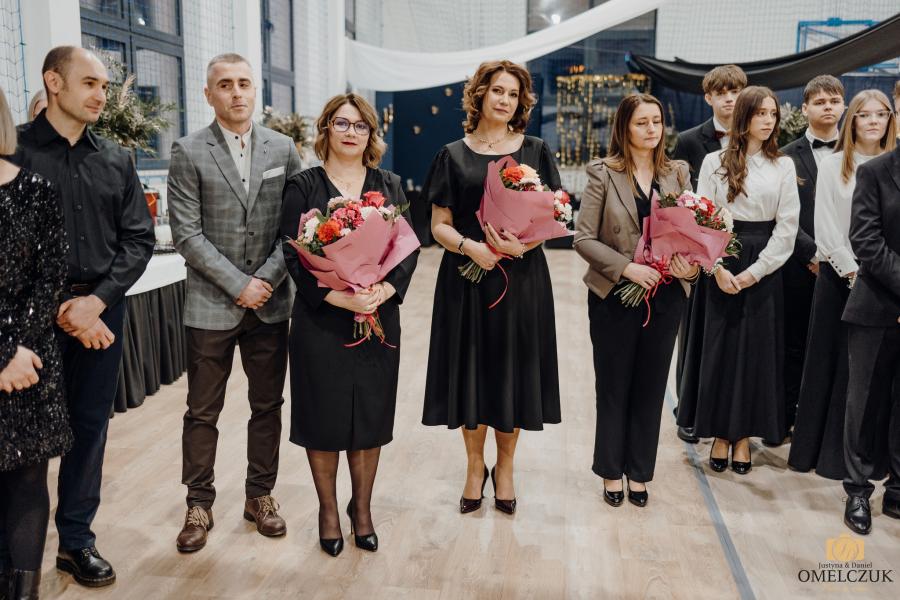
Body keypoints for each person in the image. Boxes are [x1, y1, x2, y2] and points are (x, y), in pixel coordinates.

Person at [8, 46, 154, 588]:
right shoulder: (12, 151)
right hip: (26, 323)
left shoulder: (116, 159)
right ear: (54, 82)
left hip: (100, 316)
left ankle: (75, 542)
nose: (100, 95)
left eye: (105, 86)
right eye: (90, 83)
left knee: (89, 430)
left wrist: (96, 302)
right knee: (23, 440)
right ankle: (14, 557)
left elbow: (137, 240)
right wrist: (53, 308)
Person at [167, 53, 301, 553]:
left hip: (269, 301)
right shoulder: (188, 151)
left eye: (244, 83)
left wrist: (263, 279)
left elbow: (297, 225)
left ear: (255, 90)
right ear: (209, 94)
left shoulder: (283, 148)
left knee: (267, 405)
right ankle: (198, 503)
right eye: (225, 84)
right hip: (211, 303)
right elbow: (187, 234)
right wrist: (237, 284)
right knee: (202, 410)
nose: (237, 92)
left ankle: (259, 495)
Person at [280, 93, 419, 557]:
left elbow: (408, 248)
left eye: (360, 126)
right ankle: (327, 511)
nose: (351, 132)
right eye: (341, 123)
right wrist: (335, 295)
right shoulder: (302, 186)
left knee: (370, 415)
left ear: (371, 134)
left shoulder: (389, 184)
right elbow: (291, 254)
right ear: (326, 129)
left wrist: (387, 290)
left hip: (377, 317)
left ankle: (362, 510)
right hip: (321, 319)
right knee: (323, 416)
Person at [422, 60, 561, 516]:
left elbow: (553, 216)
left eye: (513, 94)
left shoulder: (536, 151)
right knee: (471, 374)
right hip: (466, 279)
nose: (505, 100)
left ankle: (505, 467)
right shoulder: (451, 155)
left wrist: (523, 245)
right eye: (497, 90)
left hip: (521, 279)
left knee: (511, 374)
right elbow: (438, 225)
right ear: (479, 94)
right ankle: (473, 466)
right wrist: (471, 248)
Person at [574, 94, 697, 508]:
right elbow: (583, 238)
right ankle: (611, 469)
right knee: (613, 386)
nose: (651, 129)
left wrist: (688, 269)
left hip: (665, 296)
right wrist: (627, 268)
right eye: (641, 122)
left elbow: (695, 234)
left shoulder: (677, 173)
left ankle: (640, 472)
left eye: (656, 121)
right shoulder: (603, 173)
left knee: (650, 386)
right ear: (624, 127)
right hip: (615, 296)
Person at [676, 86, 800, 475]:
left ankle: (743, 435)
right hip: (721, 259)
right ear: (744, 116)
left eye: (773, 114)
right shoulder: (713, 161)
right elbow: (701, 219)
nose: (769, 120)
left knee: (754, 354)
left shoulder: (783, 165)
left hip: (763, 266)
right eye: (761, 113)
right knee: (720, 351)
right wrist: (717, 269)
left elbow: (787, 228)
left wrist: (753, 273)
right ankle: (719, 432)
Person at [789, 90, 896, 479]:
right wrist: (853, 272)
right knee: (833, 369)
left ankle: (876, 457)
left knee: (878, 376)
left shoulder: (893, 164)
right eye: (864, 114)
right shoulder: (835, 164)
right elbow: (827, 228)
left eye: (881, 114)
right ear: (851, 120)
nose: (873, 120)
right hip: (842, 277)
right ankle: (828, 456)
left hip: (886, 282)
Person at [0, 85, 70, 600]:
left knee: (28, 477)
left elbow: (50, 277)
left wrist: (19, 348)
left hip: (31, 359)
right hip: (14, 355)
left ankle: (25, 591)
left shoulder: (38, 189)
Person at [672, 64, 747, 444]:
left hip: (747, 247)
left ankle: (730, 412)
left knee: (735, 334)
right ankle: (687, 410)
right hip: (701, 247)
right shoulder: (689, 141)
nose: (730, 99)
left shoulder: (759, 136)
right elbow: (680, 197)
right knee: (693, 332)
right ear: (708, 98)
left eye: (735, 91)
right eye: (722, 93)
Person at [778, 75, 846, 443]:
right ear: (804, 108)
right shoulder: (785, 156)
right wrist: (813, 254)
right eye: (819, 102)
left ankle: (828, 428)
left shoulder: (857, 152)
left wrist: (843, 259)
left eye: (834, 101)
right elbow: (781, 216)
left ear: (844, 106)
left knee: (837, 348)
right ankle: (787, 419)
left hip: (849, 269)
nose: (828, 107)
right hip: (799, 265)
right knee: (794, 345)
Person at [839, 130, 900, 536]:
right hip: (876, 305)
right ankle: (858, 490)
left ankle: (897, 489)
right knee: (863, 404)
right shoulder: (875, 172)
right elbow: (865, 239)